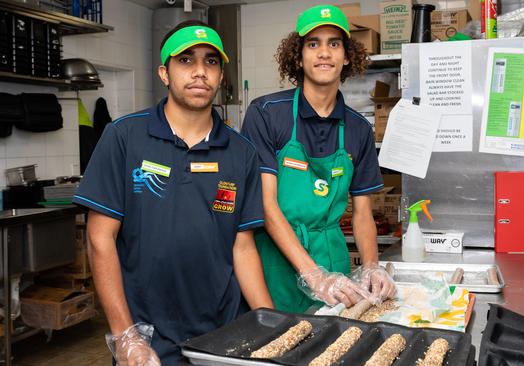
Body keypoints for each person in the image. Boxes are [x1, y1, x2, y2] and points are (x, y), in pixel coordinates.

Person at [73, 20, 273, 365]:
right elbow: (99, 239)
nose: (200, 72)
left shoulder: (242, 152)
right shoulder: (124, 137)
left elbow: (242, 247)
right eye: (186, 61)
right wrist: (125, 336)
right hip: (147, 333)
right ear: (164, 73)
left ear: (221, 76)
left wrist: (271, 322)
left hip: (225, 330)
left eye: (211, 62)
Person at [241, 4, 396, 314]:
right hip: (277, 261)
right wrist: (312, 274)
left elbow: (363, 214)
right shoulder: (267, 114)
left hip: (332, 260)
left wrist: (371, 268)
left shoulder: (357, 129)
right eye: (313, 44)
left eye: (334, 43)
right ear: (298, 57)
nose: (324, 52)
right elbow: (267, 206)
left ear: (347, 56)